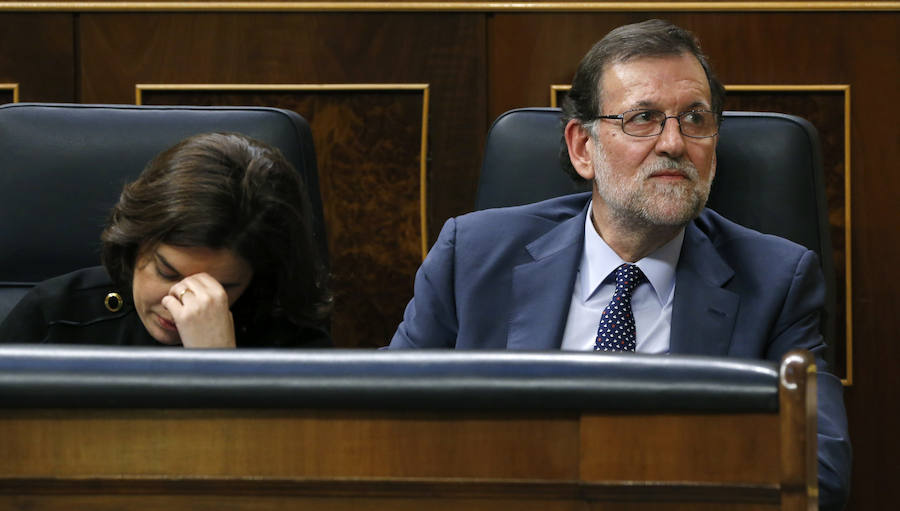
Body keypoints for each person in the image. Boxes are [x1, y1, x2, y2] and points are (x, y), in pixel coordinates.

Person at [389, 19, 850, 509]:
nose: (674, 142)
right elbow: (384, 419)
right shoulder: (473, 255)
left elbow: (819, 470)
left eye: (695, 118)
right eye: (643, 118)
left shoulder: (778, 280)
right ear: (583, 148)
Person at [0, 132, 332, 348]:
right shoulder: (54, 316)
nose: (183, 307)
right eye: (167, 273)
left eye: (221, 287)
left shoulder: (292, 340)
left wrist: (220, 366)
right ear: (134, 242)